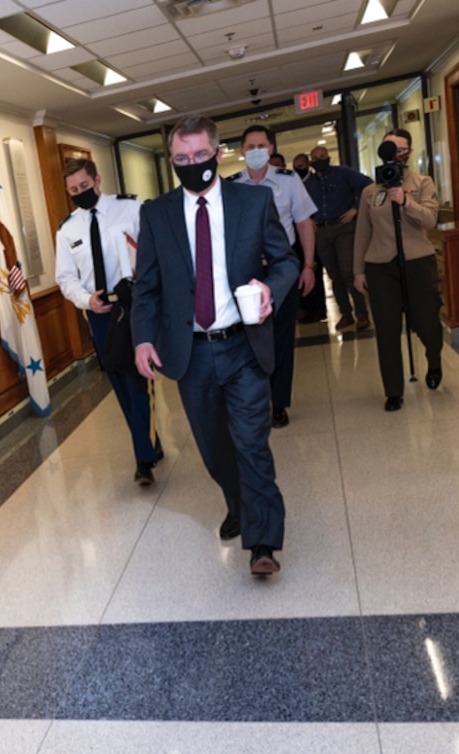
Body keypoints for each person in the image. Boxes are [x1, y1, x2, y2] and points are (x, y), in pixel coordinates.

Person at [131, 115, 298, 576]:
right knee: (214, 447)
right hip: (191, 352)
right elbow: (145, 286)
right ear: (171, 161)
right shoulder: (157, 214)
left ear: (218, 153)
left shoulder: (253, 201)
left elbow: (285, 261)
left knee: (251, 442)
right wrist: (143, 338)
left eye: (200, 156)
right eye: (181, 159)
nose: (192, 164)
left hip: (243, 343)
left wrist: (269, 288)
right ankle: (238, 504)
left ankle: (262, 540)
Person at [55, 157, 162, 484]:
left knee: (138, 382)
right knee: (119, 385)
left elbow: (152, 253)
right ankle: (149, 443)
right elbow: (64, 276)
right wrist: (87, 299)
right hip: (100, 314)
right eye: (73, 190)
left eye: (84, 186)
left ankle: (143, 458)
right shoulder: (67, 228)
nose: (79, 193)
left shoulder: (130, 208)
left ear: (97, 180)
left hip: (133, 308)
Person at [229, 124, 317, 429]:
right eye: (249, 146)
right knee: (247, 340)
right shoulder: (231, 186)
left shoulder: (288, 181)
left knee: (280, 338)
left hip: (282, 268)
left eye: (261, 146)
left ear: (269, 149)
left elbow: (304, 224)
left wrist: (307, 265)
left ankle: (278, 403)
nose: (255, 152)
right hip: (245, 272)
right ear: (241, 151)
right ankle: (254, 399)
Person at [352, 128, 444, 412]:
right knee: (388, 329)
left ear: (408, 153)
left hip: (418, 261)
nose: (393, 153)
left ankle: (434, 359)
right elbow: (362, 233)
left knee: (426, 321)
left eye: (398, 148)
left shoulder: (422, 182)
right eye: (387, 147)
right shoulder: (370, 191)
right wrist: (358, 270)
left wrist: (405, 201)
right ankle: (393, 391)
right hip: (380, 266)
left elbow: (429, 219)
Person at [306, 145, 373, 331]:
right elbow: (301, 203)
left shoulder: (343, 173)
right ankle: (346, 314)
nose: (319, 160)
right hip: (321, 231)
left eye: (322, 156)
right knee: (334, 275)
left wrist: (357, 207)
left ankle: (362, 315)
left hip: (344, 228)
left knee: (349, 273)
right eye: (316, 158)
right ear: (311, 162)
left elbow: (369, 184)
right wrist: (309, 220)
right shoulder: (309, 183)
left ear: (328, 157)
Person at [291, 152, 327, 323]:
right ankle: (307, 309)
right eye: (295, 167)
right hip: (297, 236)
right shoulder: (291, 183)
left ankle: (319, 310)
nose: (298, 170)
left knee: (317, 271)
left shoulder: (316, 182)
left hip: (319, 232)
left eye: (301, 166)